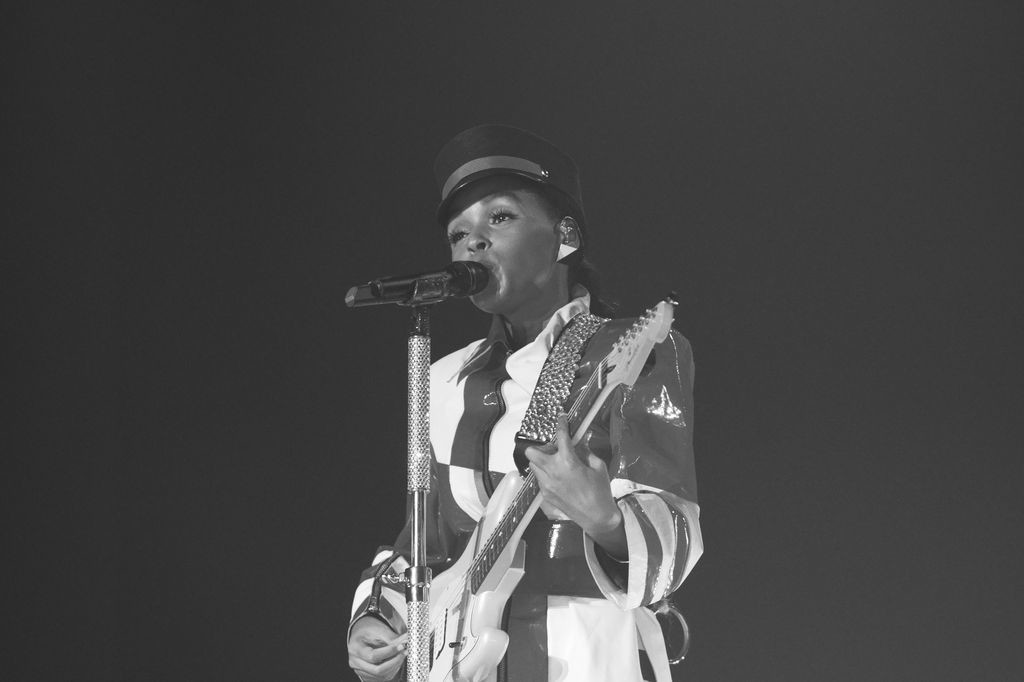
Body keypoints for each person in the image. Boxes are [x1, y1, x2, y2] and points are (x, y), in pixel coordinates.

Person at [346, 124, 703, 682]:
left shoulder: (634, 350)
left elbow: (676, 529)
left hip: (587, 648)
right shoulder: (444, 379)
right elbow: (426, 544)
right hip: (462, 661)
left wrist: (606, 519)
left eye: (500, 217)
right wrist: (377, 618)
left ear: (566, 236)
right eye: (458, 233)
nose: (473, 242)